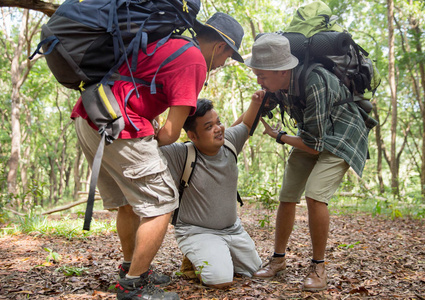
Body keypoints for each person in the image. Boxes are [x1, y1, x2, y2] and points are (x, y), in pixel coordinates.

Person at [70, 12, 245, 300]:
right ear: (221, 47)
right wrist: (152, 138)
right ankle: (134, 287)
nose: (224, 63)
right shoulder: (194, 61)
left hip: (91, 114)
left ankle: (131, 269)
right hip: (119, 124)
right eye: (228, 56)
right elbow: (171, 133)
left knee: (129, 202)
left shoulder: (171, 43)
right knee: (162, 202)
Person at [245, 34, 377, 291]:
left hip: (342, 137)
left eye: (262, 75)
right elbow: (311, 137)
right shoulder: (280, 86)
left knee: (315, 195)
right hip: (313, 134)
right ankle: (278, 260)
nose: (258, 80)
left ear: (282, 70)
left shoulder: (314, 80)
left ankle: (318, 266)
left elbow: (314, 146)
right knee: (288, 194)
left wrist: (280, 136)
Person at [160, 96, 263, 289]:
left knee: (255, 271)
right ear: (193, 136)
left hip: (233, 229)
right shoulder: (180, 154)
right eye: (209, 127)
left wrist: (256, 102)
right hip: (197, 231)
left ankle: (215, 256)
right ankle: (198, 258)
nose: (218, 129)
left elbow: (248, 124)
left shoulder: (230, 142)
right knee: (220, 280)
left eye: (219, 122)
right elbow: (150, 143)